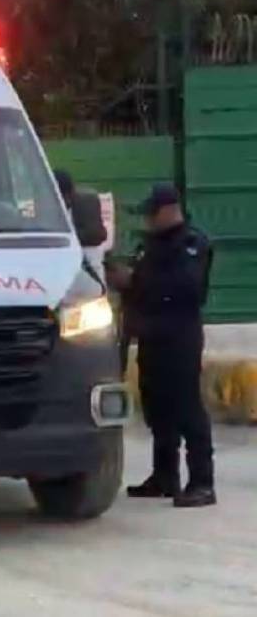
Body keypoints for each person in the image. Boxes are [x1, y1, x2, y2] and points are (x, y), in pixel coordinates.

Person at [106, 183, 216, 508]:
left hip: (179, 337)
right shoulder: (151, 246)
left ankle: (202, 482)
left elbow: (187, 287)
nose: (149, 221)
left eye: (152, 214)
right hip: (151, 337)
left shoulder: (192, 243)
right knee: (157, 409)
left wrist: (135, 280)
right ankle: (165, 476)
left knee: (187, 408)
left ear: (169, 210)